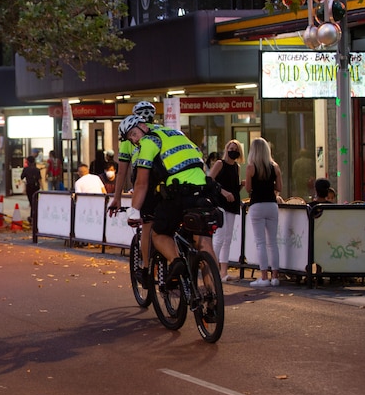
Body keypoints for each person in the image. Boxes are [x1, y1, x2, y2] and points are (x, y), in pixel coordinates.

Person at [116, 114, 217, 286]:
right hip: (204, 190)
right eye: (130, 138)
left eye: (133, 134)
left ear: (143, 125)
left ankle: (176, 261)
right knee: (204, 244)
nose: (133, 140)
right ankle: (213, 296)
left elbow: (141, 183)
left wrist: (134, 212)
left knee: (159, 233)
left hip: (180, 193)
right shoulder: (177, 133)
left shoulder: (149, 142)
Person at [109, 101, 162, 287]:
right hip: (168, 184)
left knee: (146, 225)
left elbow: (122, 172)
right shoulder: (159, 130)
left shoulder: (128, 138)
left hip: (145, 184)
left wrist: (116, 198)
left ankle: (146, 268)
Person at [245, 137, 283, 287]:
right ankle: (275, 276)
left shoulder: (251, 167)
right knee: (272, 242)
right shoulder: (274, 166)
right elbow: (279, 187)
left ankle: (264, 277)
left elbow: (248, 188)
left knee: (261, 243)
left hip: (257, 205)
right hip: (272, 205)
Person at [209, 139, 244, 282]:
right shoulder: (220, 164)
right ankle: (212, 271)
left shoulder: (237, 167)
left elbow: (234, 187)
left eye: (236, 148)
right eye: (231, 148)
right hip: (220, 203)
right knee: (219, 237)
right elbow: (209, 180)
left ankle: (224, 272)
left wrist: (240, 186)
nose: (233, 150)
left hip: (232, 204)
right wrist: (222, 191)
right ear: (226, 149)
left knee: (227, 239)